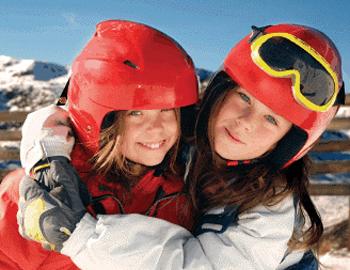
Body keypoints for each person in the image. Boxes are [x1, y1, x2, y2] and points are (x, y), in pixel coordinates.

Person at [17, 23, 346, 269]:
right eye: (244, 97)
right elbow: (67, 113)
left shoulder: (269, 205)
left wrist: (81, 235)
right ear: (219, 91)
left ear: (288, 144)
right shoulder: (178, 131)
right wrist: (48, 156)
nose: (246, 121)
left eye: (271, 120)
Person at [0, 20, 198, 269]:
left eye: (168, 110)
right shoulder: (41, 195)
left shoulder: (180, 192)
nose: (157, 128)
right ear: (100, 120)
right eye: (136, 113)